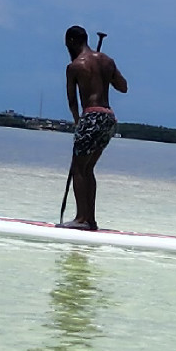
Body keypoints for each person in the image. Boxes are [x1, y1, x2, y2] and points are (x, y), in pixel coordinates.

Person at [60, 25, 127, 231]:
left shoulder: (74, 66)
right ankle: (91, 219)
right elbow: (123, 87)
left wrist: (78, 122)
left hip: (91, 116)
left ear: (71, 41)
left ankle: (81, 219)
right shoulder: (106, 61)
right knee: (88, 168)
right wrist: (105, 76)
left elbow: (72, 101)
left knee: (79, 168)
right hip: (108, 118)